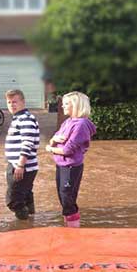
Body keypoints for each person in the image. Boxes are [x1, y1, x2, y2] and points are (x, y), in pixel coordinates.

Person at [45, 91, 96, 228]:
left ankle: (73, 231)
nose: (63, 106)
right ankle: (69, 225)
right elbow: (52, 141)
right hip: (61, 164)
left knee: (67, 197)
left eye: (66, 104)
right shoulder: (68, 122)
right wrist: (54, 140)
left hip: (71, 166)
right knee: (63, 197)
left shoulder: (80, 125)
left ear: (76, 105)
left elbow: (67, 150)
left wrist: (50, 149)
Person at [4, 89, 39, 220]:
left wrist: (20, 165)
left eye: (15, 102)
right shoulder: (19, 118)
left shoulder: (25, 119)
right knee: (25, 195)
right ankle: (31, 222)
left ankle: (24, 227)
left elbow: (27, 143)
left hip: (23, 167)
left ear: (23, 102)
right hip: (18, 165)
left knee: (13, 199)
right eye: (9, 102)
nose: (12, 105)